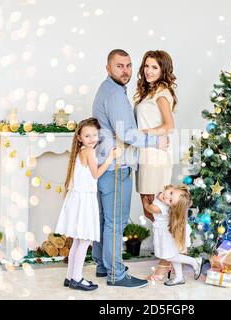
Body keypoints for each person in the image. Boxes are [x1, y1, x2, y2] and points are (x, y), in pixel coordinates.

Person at [91, 49, 169, 288]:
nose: (125, 70)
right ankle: (117, 273)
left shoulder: (108, 89)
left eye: (128, 65)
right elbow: (126, 134)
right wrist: (156, 141)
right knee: (115, 222)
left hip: (106, 165)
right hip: (116, 166)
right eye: (119, 66)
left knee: (105, 219)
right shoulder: (114, 94)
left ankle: (103, 266)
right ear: (108, 68)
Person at [55, 118, 121, 291]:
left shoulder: (82, 151)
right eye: (87, 135)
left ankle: (70, 277)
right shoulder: (89, 152)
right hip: (84, 200)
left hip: (79, 198)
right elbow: (96, 173)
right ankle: (77, 278)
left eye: (94, 134)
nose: (92, 138)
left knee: (78, 240)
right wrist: (110, 158)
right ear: (79, 137)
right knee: (84, 240)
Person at [134, 50, 177, 281]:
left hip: (156, 157)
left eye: (154, 67)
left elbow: (169, 125)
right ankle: (171, 254)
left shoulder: (161, 92)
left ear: (163, 71)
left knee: (157, 210)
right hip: (145, 155)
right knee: (148, 209)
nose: (149, 71)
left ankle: (166, 262)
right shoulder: (147, 92)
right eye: (147, 66)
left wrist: (141, 133)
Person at [142, 185, 203, 286]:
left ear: (172, 206)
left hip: (166, 234)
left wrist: (145, 200)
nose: (166, 197)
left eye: (170, 201)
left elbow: (149, 208)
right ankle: (179, 277)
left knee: (169, 256)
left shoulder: (161, 207)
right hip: (167, 232)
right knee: (173, 254)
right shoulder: (161, 195)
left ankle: (194, 261)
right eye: (171, 193)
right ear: (171, 188)